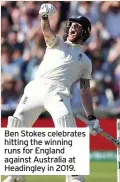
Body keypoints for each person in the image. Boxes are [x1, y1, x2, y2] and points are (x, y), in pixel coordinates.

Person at [4, 3, 100, 182]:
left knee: (66, 126)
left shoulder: (86, 62)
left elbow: (85, 91)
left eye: (77, 26)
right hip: (35, 89)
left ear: (85, 33)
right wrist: (44, 17)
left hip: (58, 94)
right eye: (71, 25)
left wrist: (92, 117)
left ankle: (74, 177)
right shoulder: (57, 42)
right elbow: (46, 31)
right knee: (16, 124)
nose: (72, 28)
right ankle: (15, 174)